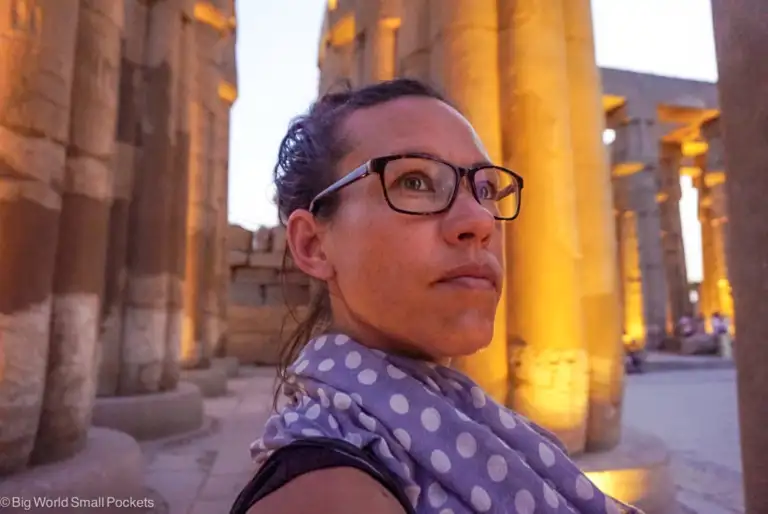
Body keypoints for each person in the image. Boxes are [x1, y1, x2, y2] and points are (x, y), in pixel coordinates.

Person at [231, 79, 638, 514]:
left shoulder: (473, 429)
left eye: (485, 190)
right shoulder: (327, 495)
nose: (479, 220)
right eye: (415, 181)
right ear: (313, 245)